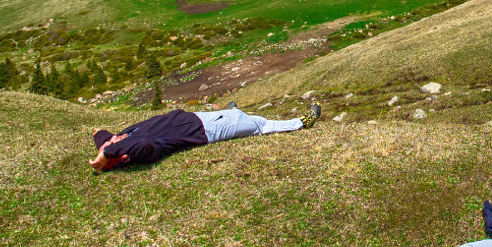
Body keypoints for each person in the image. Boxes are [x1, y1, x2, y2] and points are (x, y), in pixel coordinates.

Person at [88, 101, 321, 170]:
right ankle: (301, 124)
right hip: (205, 131)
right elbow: (144, 146)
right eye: (114, 143)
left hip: (197, 117)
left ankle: (232, 110)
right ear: (121, 154)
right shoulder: (140, 149)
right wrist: (108, 153)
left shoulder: (124, 137)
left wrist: (103, 142)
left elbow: (101, 134)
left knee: (236, 115)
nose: (116, 137)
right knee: (256, 125)